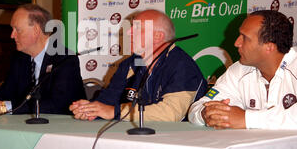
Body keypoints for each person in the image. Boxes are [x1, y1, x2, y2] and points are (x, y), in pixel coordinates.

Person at [188, 10, 297, 129]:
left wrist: (246, 119)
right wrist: (206, 113)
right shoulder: (238, 70)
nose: (236, 43)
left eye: (245, 38)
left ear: (269, 47)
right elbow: (196, 109)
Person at [70, 9, 208, 122]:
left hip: (175, 145)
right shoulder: (129, 64)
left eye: (136, 28)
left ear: (158, 36)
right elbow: (107, 101)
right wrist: (90, 109)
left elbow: (170, 114)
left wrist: (114, 112)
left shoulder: (182, 66)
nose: (128, 32)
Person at [0, 4, 85, 115]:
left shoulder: (65, 59)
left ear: (36, 30)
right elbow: (5, 93)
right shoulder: (20, 57)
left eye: (17, 30)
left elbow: (57, 105)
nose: (12, 35)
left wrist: (3, 107)